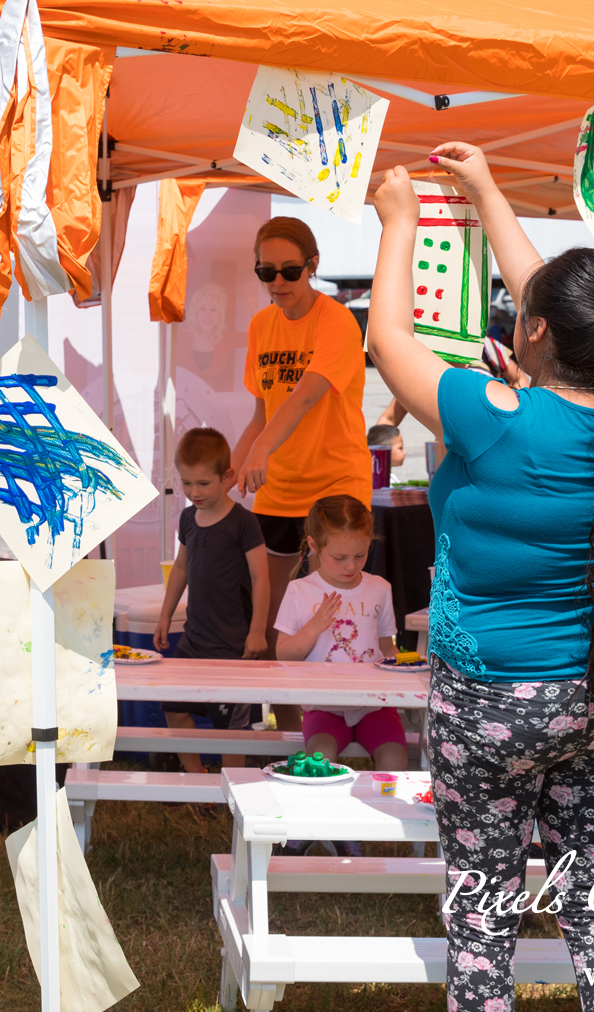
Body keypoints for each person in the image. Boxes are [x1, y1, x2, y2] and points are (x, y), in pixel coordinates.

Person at [366, 148, 594, 1012]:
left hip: (489, 702)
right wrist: (489, 188)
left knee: (482, 929)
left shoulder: (493, 415)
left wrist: (399, 220)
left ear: (535, 332)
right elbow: (564, 312)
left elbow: (390, 341)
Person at [232, 217, 372, 682]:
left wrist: (261, 451)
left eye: (289, 271)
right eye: (265, 272)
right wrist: (235, 463)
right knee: (275, 620)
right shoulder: (259, 326)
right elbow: (263, 411)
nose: (277, 282)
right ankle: (291, 733)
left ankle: (343, 718)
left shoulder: (336, 321)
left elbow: (306, 395)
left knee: (333, 613)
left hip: (335, 487)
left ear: (312, 266)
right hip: (279, 489)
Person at [154, 427, 269, 771]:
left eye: (203, 484)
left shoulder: (243, 523)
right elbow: (179, 570)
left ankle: (231, 786)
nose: (194, 492)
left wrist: (257, 631)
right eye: (187, 483)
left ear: (227, 476)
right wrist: (164, 617)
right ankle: (198, 778)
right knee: (173, 708)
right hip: (194, 639)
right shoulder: (188, 518)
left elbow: (261, 578)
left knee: (231, 725)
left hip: (233, 643)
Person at [274, 496, 402, 774]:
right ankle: (328, 815)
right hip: (323, 705)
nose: (351, 566)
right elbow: (282, 654)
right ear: (313, 545)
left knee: (394, 757)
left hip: (374, 705)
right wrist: (314, 627)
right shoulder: (300, 591)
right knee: (320, 760)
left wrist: (406, 669)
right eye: (339, 557)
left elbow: (386, 647)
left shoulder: (380, 587)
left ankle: (385, 814)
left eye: (360, 555)